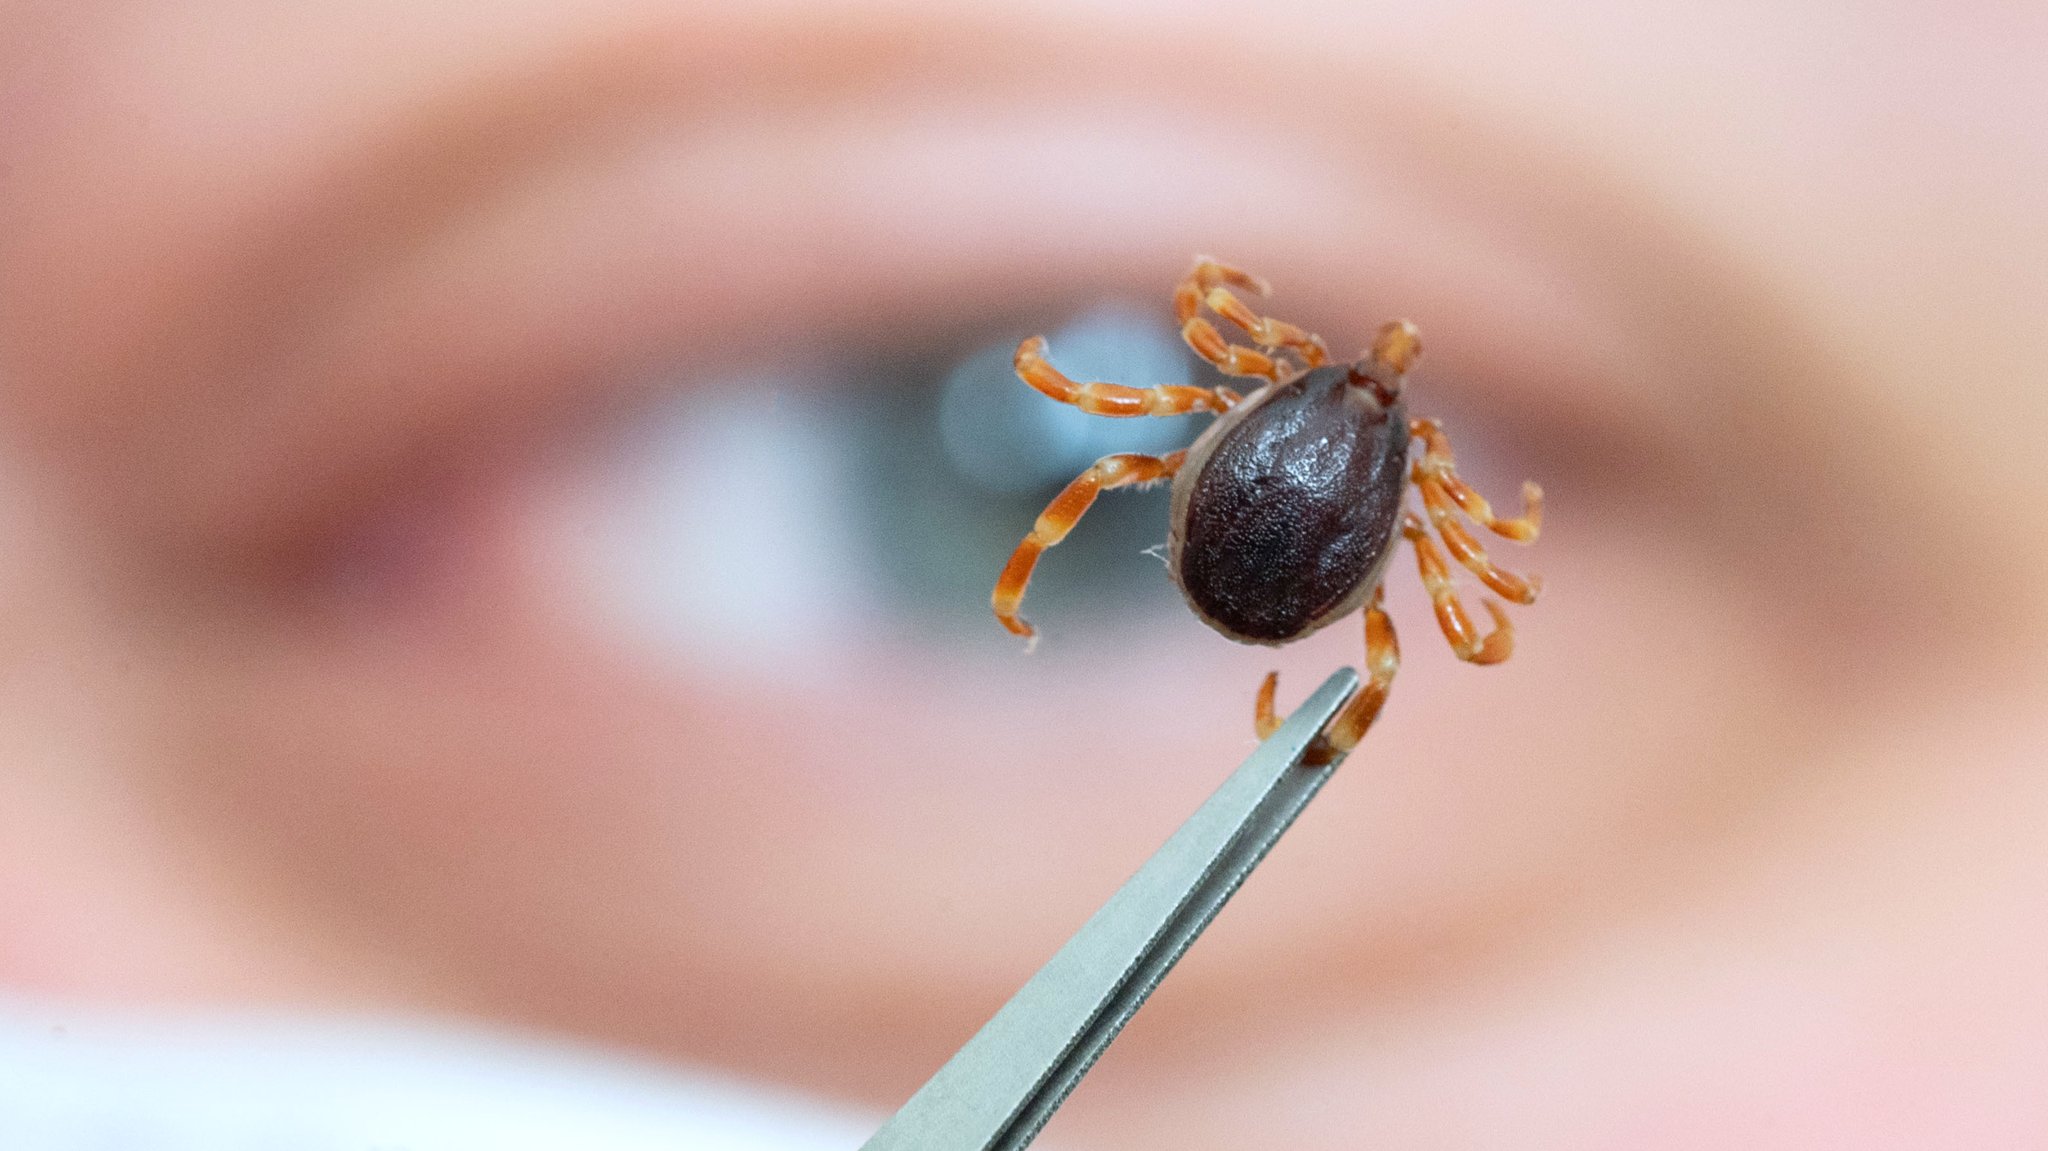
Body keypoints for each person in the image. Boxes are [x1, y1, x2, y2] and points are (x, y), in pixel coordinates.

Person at [2, 1, 2044, 1146]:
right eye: (934, 442)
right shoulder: (1394, 500)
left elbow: (1118, 422)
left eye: (905, 415)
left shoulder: (1277, 444)